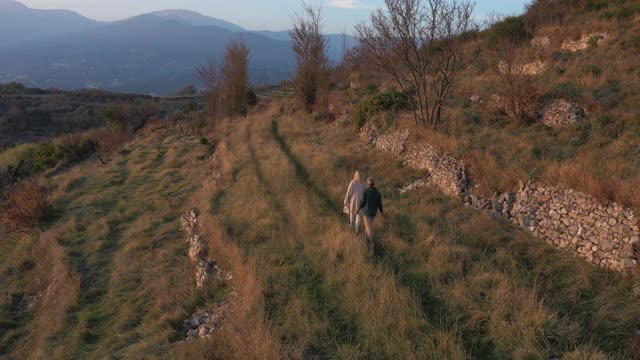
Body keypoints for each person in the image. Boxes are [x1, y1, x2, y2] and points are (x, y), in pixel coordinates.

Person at [356, 177, 384, 255]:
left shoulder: (365, 191)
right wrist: (382, 212)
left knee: (369, 228)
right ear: (373, 184)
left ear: (368, 184)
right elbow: (379, 204)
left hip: (366, 213)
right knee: (368, 227)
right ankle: (365, 240)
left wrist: (358, 209)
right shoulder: (377, 192)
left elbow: (362, 202)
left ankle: (372, 246)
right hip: (373, 213)